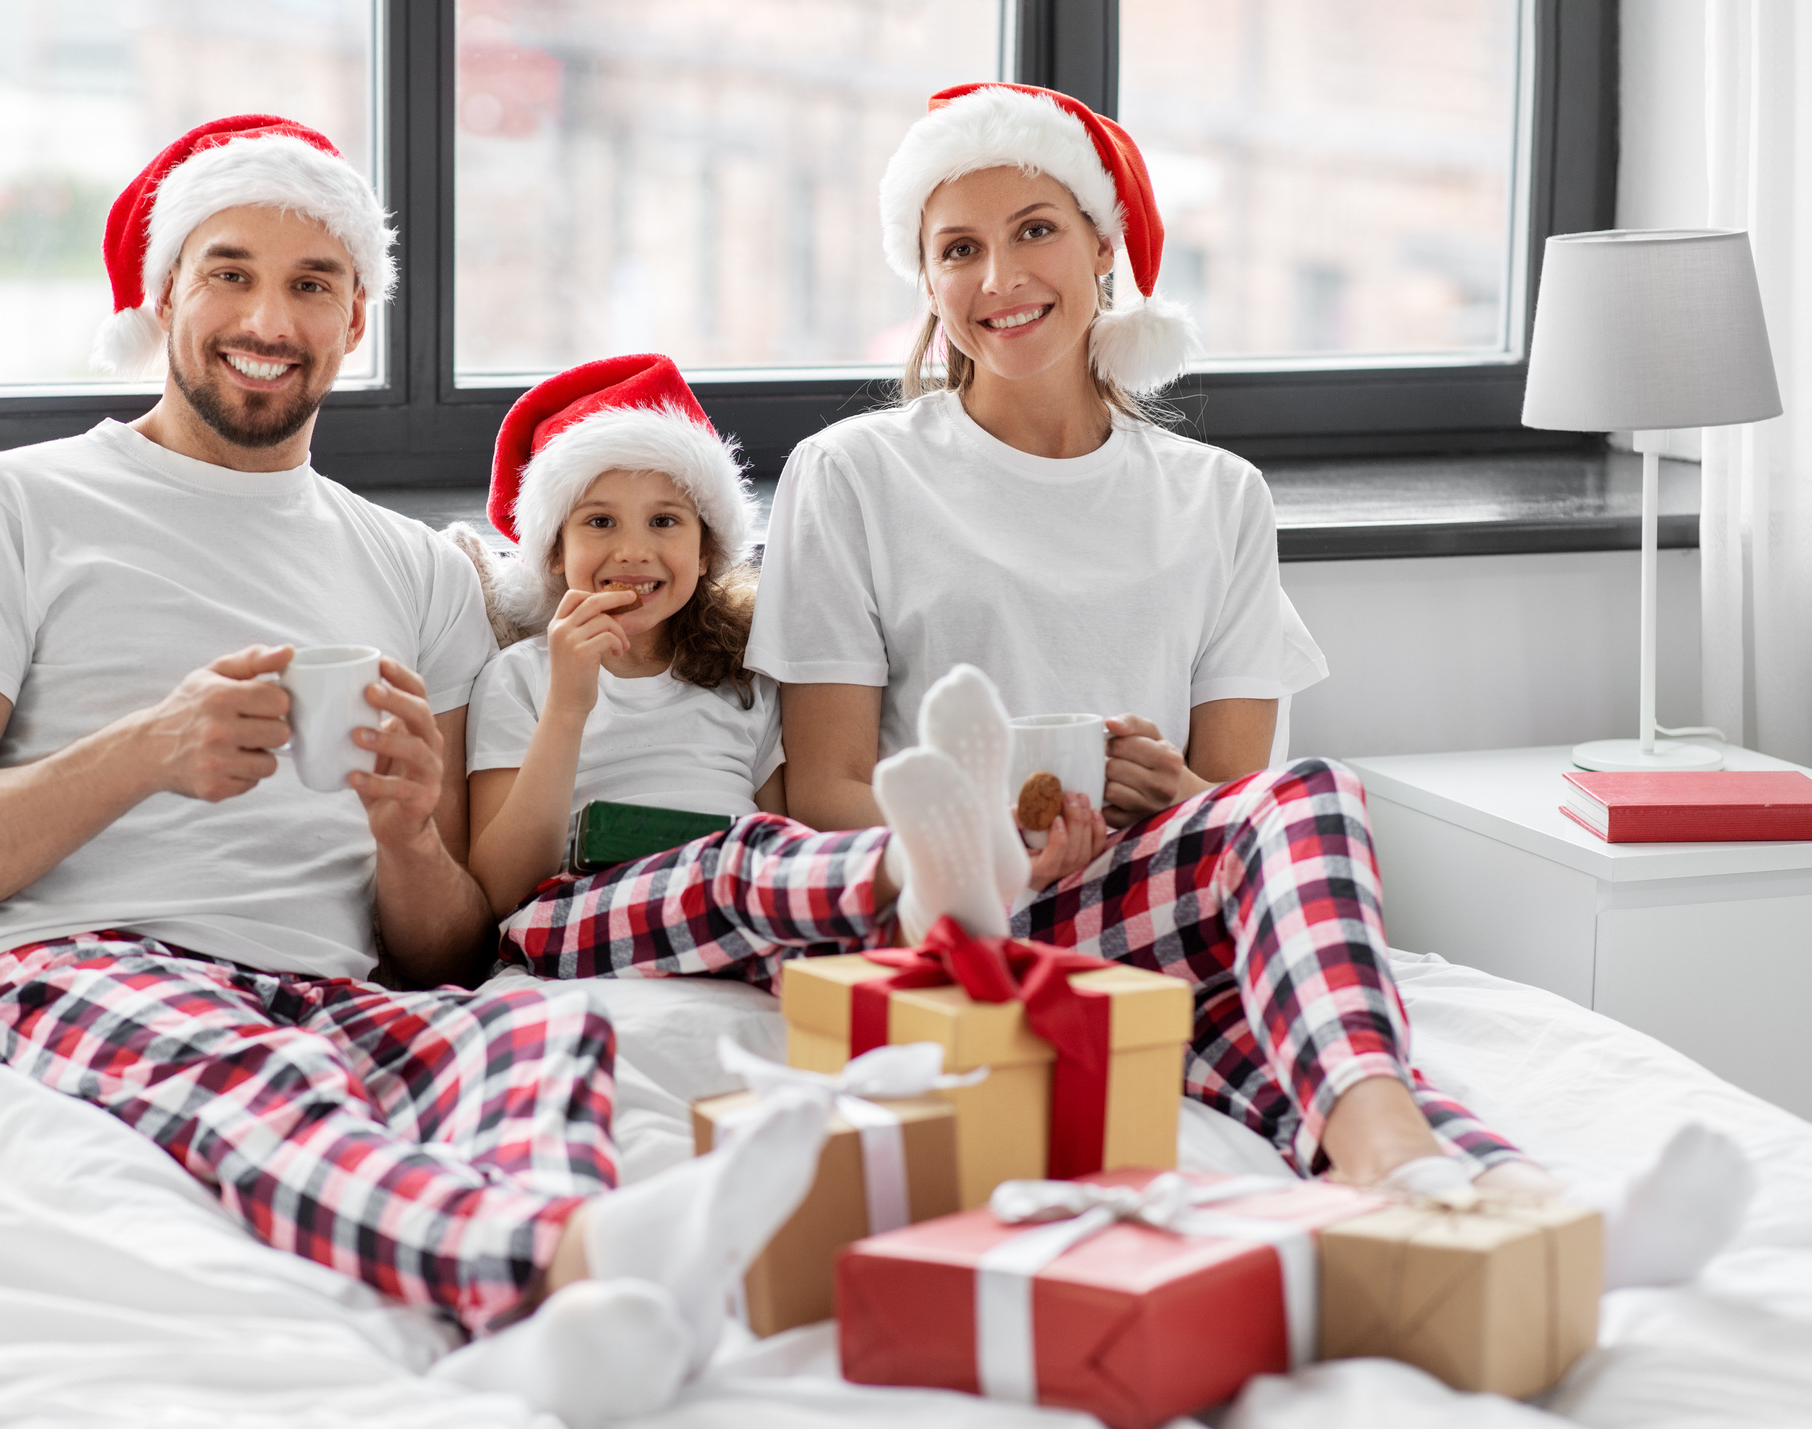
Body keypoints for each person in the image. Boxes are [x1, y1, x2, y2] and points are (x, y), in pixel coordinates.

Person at [0, 115, 837, 1428]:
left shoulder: (414, 570)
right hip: (86, 961)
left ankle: (547, 1331)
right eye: (230, 270)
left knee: (534, 1026)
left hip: (333, 986)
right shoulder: (18, 505)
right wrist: (143, 751)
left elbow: (440, 950)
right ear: (160, 298)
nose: (270, 313)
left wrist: (403, 840)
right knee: (269, 1084)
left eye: (312, 282)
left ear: (355, 320)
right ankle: (573, 1265)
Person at [742, 82, 1751, 1281]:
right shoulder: (853, 475)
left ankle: (1502, 1198)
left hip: (1156, 899)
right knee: (1288, 899)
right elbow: (822, 789)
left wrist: (1173, 796)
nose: (998, 275)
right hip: (958, 904)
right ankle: (1475, 1187)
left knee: (1286, 952)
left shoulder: (1216, 495)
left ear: (1104, 250)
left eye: (1035, 229)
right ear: (925, 282)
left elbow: (1237, 794)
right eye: (956, 248)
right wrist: (990, 832)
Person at [455, 354, 1104, 985]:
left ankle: (974, 882)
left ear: (707, 548)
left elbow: (791, 847)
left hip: (737, 910)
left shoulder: (742, 681)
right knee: (738, 866)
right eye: (599, 521)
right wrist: (569, 705)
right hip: (570, 914)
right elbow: (502, 884)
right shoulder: (522, 678)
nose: (633, 550)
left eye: (665, 521)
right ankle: (924, 849)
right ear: (553, 553)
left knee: (848, 940)